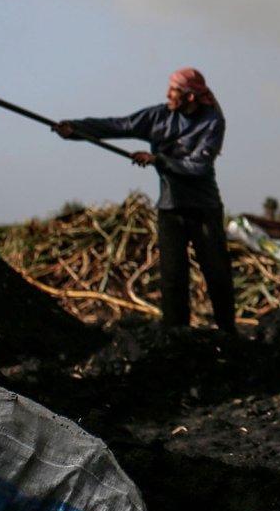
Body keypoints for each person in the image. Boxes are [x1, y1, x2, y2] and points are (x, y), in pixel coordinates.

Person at [53, 69, 236, 332]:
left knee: (216, 272)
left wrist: (159, 160)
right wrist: (76, 129)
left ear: (191, 96)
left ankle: (228, 332)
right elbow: (119, 125)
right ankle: (176, 334)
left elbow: (198, 166)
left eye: (173, 90)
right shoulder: (158, 116)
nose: (167, 94)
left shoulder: (212, 121)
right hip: (170, 209)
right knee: (173, 277)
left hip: (204, 208)